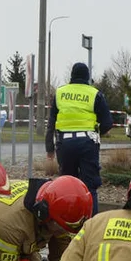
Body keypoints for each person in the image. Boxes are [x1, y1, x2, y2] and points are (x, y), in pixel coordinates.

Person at [46, 62, 113, 215]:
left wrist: (49, 149)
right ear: (88, 77)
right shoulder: (95, 94)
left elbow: (51, 124)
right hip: (87, 143)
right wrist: (96, 133)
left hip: (64, 144)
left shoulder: (60, 93)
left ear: (72, 76)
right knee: (90, 186)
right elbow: (108, 123)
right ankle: (91, 222)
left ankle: (69, 221)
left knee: (68, 185)